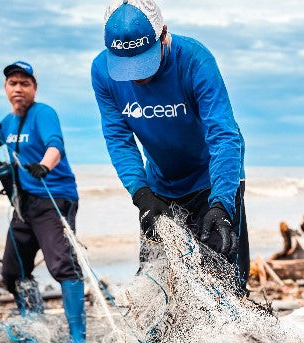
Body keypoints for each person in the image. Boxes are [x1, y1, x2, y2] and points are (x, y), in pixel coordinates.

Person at [91, 0, 249, 292]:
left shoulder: (194, 60)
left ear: (163, 35)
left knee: (224, 281)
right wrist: (141, 194)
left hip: (213, 179)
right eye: (127, 66)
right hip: (160, 185)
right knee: (158, 282)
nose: (137, 76)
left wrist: (222, 205)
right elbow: (118, 137)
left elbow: (224, 134)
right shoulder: (102, 71)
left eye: (143, 62)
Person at [0, 61, 86, 343]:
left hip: (55, 199)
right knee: (12, 272)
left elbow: (56, 145)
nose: (18, 88)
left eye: (25, 83)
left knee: (63, 266)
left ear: (34, 88)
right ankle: (35, 323)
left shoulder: (44, 113)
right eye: (13, 83)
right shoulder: (8, 121)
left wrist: (44, 166)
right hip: (23, 205)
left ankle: (78, 340)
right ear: (6, 89)